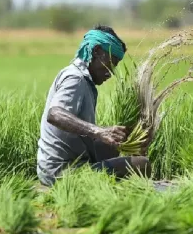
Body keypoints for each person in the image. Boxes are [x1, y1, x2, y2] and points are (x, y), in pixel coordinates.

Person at [37, 25, 152, 187]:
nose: (111, 72)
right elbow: (54, 114)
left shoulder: (82, 79)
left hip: (56, 167)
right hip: (61, 172)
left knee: (112, 148)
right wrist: (98, 131)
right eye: (111, 62)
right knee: (142, 164)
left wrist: (123, 138)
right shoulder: (75, 78)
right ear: (97, 51)